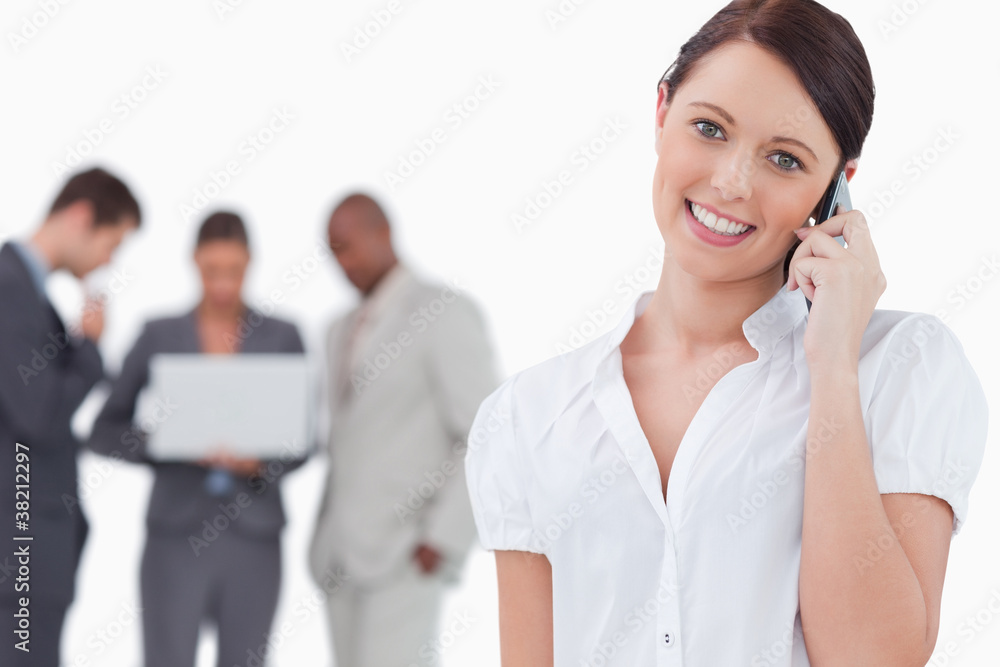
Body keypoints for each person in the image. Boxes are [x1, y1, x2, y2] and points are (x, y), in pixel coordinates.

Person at [464, 1, 989, 665]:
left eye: (785, 160)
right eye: (710, 127)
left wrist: (830, 367)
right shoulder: (529, 413)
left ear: (837, 189)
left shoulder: (903, 367)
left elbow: (874, 658)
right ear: (661, 110)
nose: (732, 182)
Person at [86, 211, 307, 667]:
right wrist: (169, 440)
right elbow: (103, 432)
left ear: (251, 263)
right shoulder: (158, 334)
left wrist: (259, 464)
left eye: (235, 271)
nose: (223, 283)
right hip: (175, 535)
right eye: (211, 271)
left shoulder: (283, 337)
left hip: (255, 536)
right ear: (193, 263)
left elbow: (303, 440)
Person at [308, 193, 498, 666]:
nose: (343, 262)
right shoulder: (337, 329)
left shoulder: (443, 312)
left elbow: (484, 432)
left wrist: (444, 536)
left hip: (405, 550)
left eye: (348, 246)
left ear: (383, 233)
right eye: (333, 251)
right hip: (338, 554)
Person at [0, 167, 140, 666]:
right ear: (82, 217)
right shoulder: (8, 286)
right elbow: (37, 413)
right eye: (113, 240)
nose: (109, 259)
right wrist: (90, 348)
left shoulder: (32, 297)